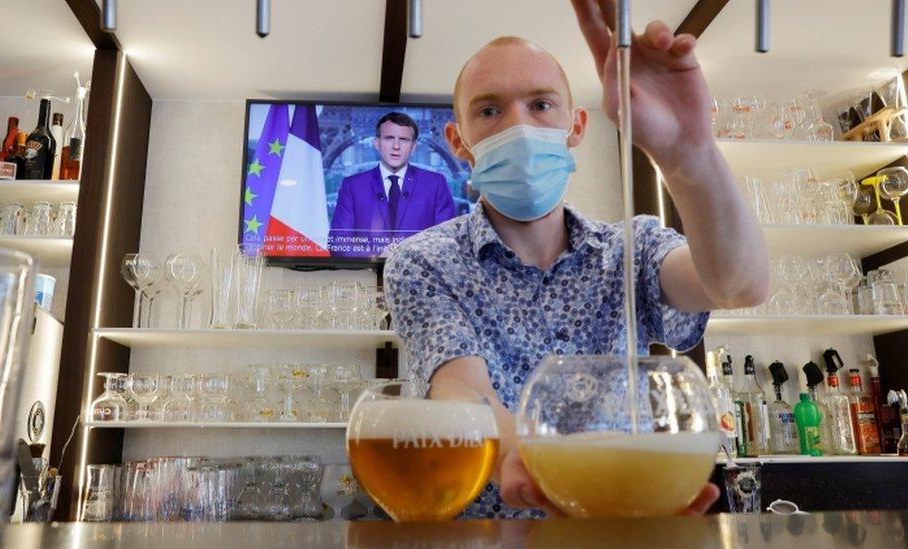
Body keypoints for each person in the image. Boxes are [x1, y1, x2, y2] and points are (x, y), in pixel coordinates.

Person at [383, 0, 770, 519]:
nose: (518, 126)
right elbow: (458, 385)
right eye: (490, 110)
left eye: (541, 104)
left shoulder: (632, 249)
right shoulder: (422, 261)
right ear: (459, 141)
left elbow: (738, 283)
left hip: (620, 524)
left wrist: (689, 150)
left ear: (576, 125)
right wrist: (521, 457)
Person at [328, 112, 456, 257]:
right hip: (366, 275)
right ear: (377, 143)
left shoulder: (435, 183)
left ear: (413, 147)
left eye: (404, 140)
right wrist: (377, 255)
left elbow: (446, 241)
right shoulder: (352, 186)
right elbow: (338, 243)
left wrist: (407, 257)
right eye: (389, 138)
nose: (396, 146)